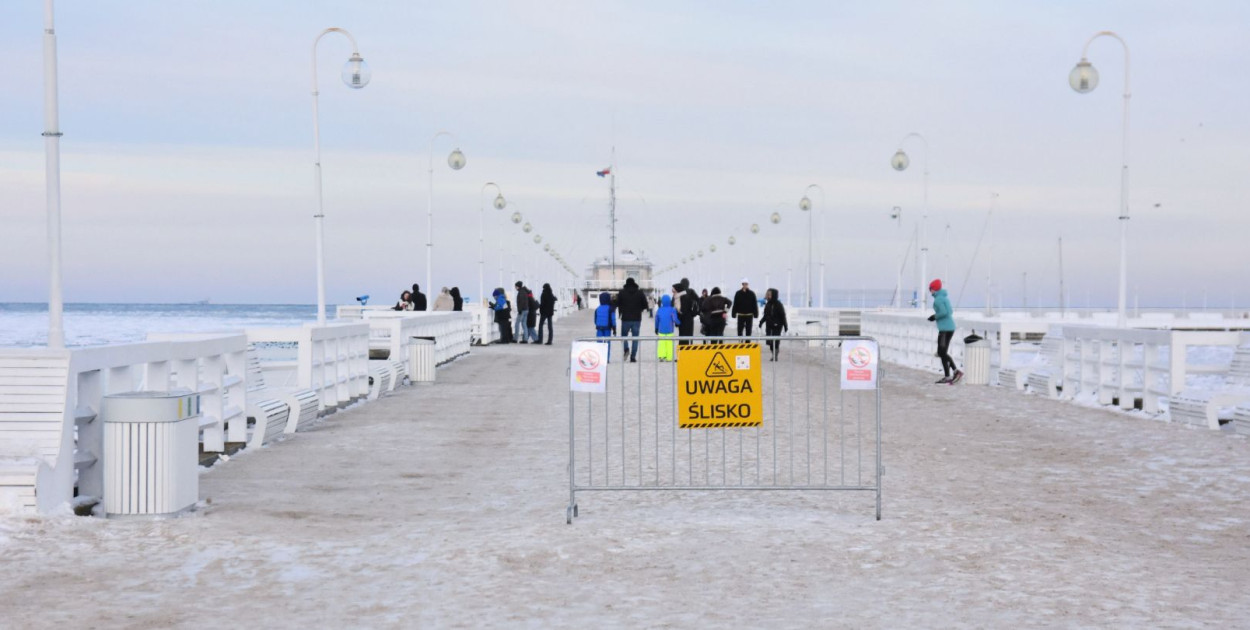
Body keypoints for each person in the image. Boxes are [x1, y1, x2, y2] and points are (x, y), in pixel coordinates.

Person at [928, 278, 962, 384]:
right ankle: (951, 374)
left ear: (934, 289)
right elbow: (950, 311)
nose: (930, 291)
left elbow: (944, 312)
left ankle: (954, 373)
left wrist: (934, 316)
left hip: (944, 329)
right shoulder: (944, 298)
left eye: (931, 289)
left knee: (941, 352)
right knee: (943, 353)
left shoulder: (938, 300)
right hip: (950, 328)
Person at [616, 277, 648, 362]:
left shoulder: (622, 293)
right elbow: (645, 305)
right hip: (637, 318)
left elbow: (617, 303)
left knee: (623, 336)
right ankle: (633, 357)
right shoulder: (640, 293)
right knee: (635, 338)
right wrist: (639, 308)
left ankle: (626, 349)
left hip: (625, 318)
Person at [760, 288, 788, 361]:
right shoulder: (768, 304)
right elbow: (766, 315)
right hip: (769, 325)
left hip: (777, 325)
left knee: (775, 341)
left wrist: (785, 326)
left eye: (769, 295)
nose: (768, 296)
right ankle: (773, 353)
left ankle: (775, 354)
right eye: (767, 294)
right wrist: (761, 322)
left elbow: (783, 315)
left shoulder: (779, 304)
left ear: (773, 295)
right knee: (769, 341)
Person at [655, 294, 680, 361]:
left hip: (661, 330)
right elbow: (674, 319)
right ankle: (669, 357)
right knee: (669, 344)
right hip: (670, 330)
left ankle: (661, 356)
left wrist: (656, 328)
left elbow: (657, 320)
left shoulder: (659, 310)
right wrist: (679, 323)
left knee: (661, 344)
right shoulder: (672, 310)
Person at [675, 278, 700, 346]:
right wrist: (696, 312)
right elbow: (699, 301)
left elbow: (673, 305)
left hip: (680, 317)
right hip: (689, 317)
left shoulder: (678, 292)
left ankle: (681, 352)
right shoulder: (691, 291)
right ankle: (689, 352)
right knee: (689, 336)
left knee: (682, 335)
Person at [594, 291, 616, 362]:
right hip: (607, 328)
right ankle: (606, 359)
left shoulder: (597, 309)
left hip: (599, 328)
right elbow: (613, 319)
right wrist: (614, 328)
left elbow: (595, 320)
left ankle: (600, 358)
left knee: (599, 343)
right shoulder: (610, 308)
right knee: (607, 344)